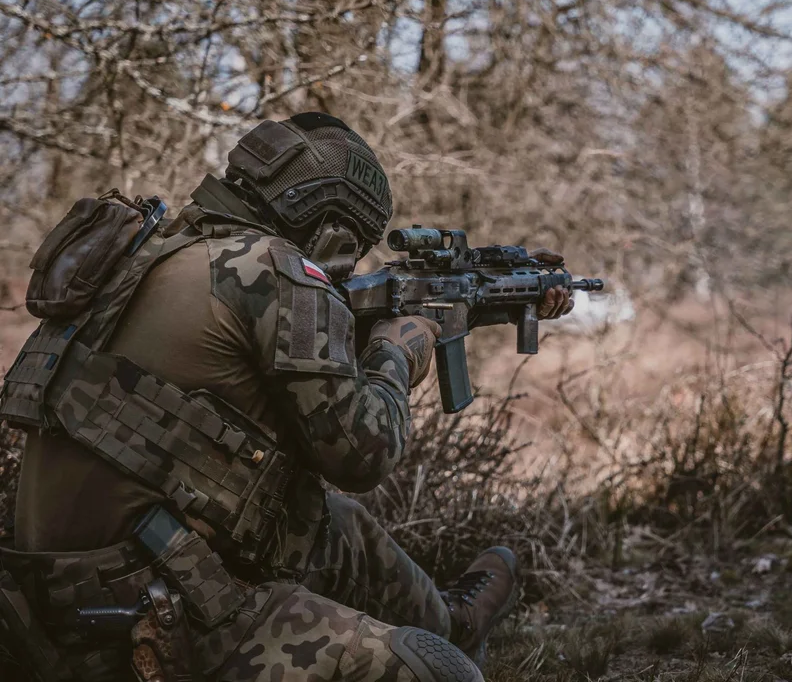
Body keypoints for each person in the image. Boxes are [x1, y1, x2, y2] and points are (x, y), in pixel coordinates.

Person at [0, 112, 575, 681]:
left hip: (51, 604)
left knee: (333, 525)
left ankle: (455, 621)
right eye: (351, 247)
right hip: (151, 622)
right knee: (442, 674)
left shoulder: (158, 254)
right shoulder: (276, 268)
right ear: (331, 231)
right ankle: (447, 645)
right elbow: (363, 453)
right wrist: (398, 350)